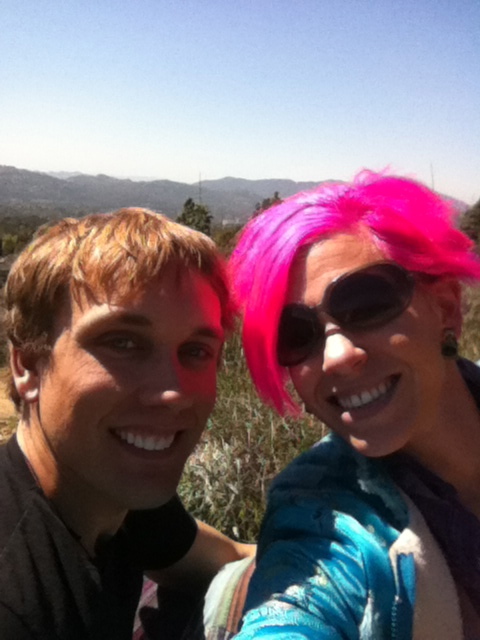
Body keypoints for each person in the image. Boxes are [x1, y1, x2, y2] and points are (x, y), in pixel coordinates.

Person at [223, 171, 480, 638]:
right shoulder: (321, 520)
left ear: (445, 308)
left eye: (366, 304)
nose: (337, 356)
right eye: (295, 335)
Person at [0, 207, 253, 640]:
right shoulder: (18, 603)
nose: (172, 392)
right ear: (27, 365)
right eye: (123, 342)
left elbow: (232, 557)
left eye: (196, 350)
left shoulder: (114, 496)